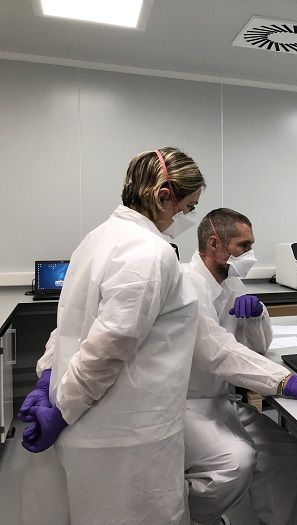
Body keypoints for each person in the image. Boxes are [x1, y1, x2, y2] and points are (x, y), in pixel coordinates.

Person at [17, 147, 206, 525]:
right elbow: (108, 347)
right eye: (188, 207)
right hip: (127, 436)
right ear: (164, 196)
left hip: (94, 424)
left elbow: (69, 324)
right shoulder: (150, 253)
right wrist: (61, 410)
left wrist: (48, 376)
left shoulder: (96, 238)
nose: (187, 217)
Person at [184, 208, 297, 525]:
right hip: (188, 405)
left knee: (287, 454)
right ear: (214, 244)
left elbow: (256, 348)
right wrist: (291, 383)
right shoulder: (188, 287)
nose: (250, 254)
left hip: (221, 401)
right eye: (243, 246)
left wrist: (257, 315)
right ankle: (191, 516)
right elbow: (219, 353)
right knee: (235, 464)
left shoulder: (231, 283)